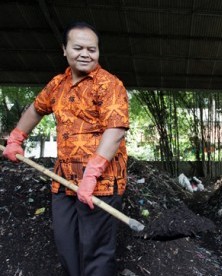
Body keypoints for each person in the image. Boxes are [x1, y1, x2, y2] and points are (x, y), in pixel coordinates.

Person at [2, 21, 129, 276]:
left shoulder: (109, 84)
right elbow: (36, 108)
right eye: (78, 47)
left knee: (96, 252)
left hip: (100, 183)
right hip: (62, 181)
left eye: (91, 49)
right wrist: (17, 137)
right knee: (66, 246)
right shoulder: (57, 84)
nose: (85, 54)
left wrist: (92, 174)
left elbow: (116, 131)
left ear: (98, 52)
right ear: (65, 49)